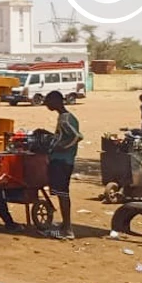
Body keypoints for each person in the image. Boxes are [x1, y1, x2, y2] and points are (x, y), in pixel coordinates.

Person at [44, 90, 82, 240]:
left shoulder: (65, 119)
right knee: (61, 193)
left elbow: (77, 137)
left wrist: (62, 147)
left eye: (48, 101)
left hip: (62, 161)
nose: (46, 104)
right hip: (62, 160)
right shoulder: (64, 117)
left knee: (62, 194)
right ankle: (65, 225)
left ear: (56, 101)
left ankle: (67, 229)